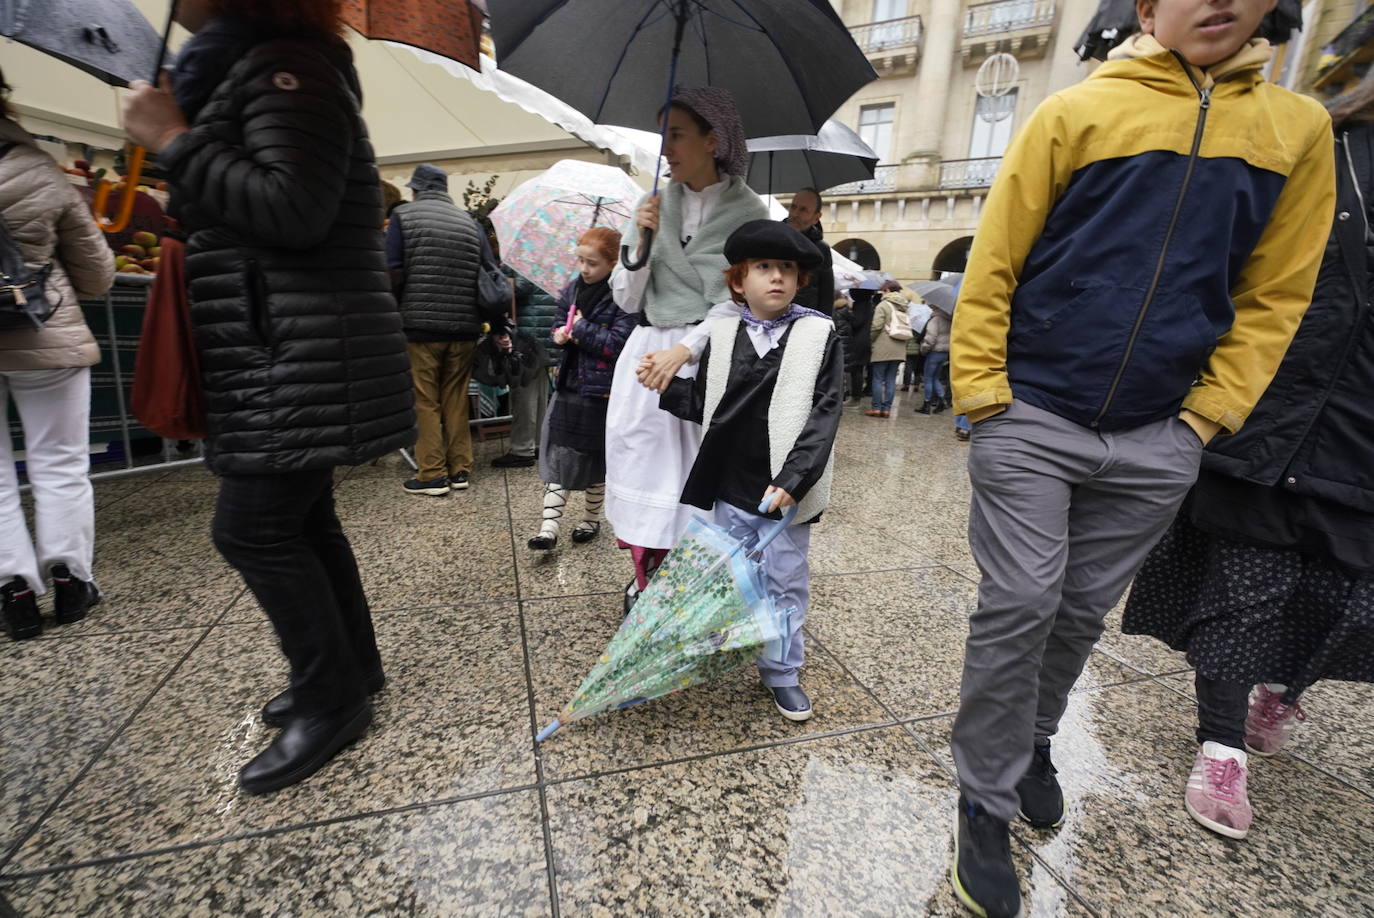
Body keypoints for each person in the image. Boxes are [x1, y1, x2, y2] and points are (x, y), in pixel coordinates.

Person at [944, 0, 1336, 911]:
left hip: (1160, 432)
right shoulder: (1075, 111)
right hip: (1033, 412)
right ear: (1149, 7)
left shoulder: (1296, 127)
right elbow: (996, 257)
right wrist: (985, 398)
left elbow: (1278, 290)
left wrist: (1204, 419)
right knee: (1021, 601)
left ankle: (1036, 735)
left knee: (1080, 609)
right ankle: (985, 802)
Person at [122, 0, 416, 795]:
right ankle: (353, 670)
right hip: (278, 346)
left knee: (253, 529)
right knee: (304, 516)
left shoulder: (290, 69)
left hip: (295, 349)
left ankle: (333, 700)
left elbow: (294, 207)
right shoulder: (246, 68)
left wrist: (175, 142)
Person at [1121, 72, 1374, 841]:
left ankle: (1282, 688)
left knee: (1346, 596)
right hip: (1277, 402)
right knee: (1244, 587)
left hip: (1364, 426)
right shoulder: (1322, 147)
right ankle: (1222, 746)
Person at [653, 219, 842, 720]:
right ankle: (730, 641)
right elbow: (708, 402)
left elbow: (825, 412)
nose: (776, 277)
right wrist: (662, 385)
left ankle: (781, 671)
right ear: (739, 281)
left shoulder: (818, 334)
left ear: (801, 280)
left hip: (784, 488)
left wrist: (795, 478)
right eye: (763, 268)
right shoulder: (723, 331)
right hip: (730, 481)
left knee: (784, 577)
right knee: (736, 573)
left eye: (787, 269)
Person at [605, 87, 768, 605]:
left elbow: (740, 300)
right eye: (663, 136)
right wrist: (642, 245)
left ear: (711, 139)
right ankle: (646, 579)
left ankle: (696, 584)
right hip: (649, 350)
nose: (666, 148)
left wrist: (686, 353)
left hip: (712, 353)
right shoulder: (651, 204)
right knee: (644, 464)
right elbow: (627, 301)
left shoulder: (749, 211)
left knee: (703, 470)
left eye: (676, 135)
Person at [0, 70, 114, 640]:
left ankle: (12, 591)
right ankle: (70, 581)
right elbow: (97, 273)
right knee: (60, 462)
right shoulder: (39, 170)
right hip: (46, 334)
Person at [528, 227, 634, 549]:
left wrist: (581, 328)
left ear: (613, 263)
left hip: (602, 392)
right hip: (569, 384)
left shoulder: (623, 297)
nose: (584, 269)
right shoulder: (572, 289)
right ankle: (548, 528)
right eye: (580, 261)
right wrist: (559, 333)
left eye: (592, 263)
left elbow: (620, 344)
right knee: (559, 452)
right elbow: (557, 325)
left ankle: (590, 520)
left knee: (594, 459)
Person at [387, 163, 488, 496]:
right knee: (456, 397)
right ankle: (460, 469)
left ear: (415, 189)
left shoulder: (404, 217)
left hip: (420, 326)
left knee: (424, 399)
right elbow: (488, 272)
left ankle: (431, 474)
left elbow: (393, 272)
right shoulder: (469, 222)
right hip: (465, 327)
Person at [494, 271, 558, 469]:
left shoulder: (527, 256)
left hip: (530, 333)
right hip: (546, 331)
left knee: (524, 393)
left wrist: (502, 275)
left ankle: (522, 449)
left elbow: (519, 287)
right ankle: (537, 443)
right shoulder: (552, 253)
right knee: (539, 395)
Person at [782, 187, 834, 315]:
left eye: (803, 210)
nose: (795, 214)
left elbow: (826, 296)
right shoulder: (772, 238)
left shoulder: (822, 249)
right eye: (793, 207)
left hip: (804, 322)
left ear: (816, 217)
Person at [866, 285, 910, 418]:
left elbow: (876, 326)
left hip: (883, 346)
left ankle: (876, 408)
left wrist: (871, 340)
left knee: (878, 378)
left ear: (887, 291)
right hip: (899, 348)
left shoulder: (883, 305)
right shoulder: (904, 307)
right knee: (891, 379)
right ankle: (887, 409)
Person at [917, 305, 951, 415]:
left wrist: (924, 349)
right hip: (944, 352)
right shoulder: (949, 319)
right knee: (935, 378)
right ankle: (942, 400)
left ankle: (926, 405)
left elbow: (930, 337)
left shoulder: (935, 319)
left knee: (928, 378)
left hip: (934, 352)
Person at [901, 295, 931, 393]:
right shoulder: (925, 325)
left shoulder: (911, 323)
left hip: (910, 349)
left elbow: (906, 337)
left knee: (908, 367)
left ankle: (906, 385)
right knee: (918, 368)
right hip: (920, 349)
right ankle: (916, 386)